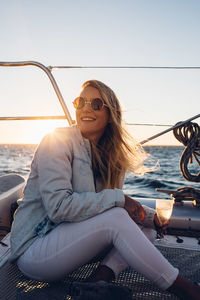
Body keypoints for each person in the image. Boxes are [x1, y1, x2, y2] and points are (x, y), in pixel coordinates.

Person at [9, 80, 200, 300]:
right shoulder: (57, 141)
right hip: (35, 249)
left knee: (145, 230)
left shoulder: (111, 157)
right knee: (118, 217)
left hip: (69, 243)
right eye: (80, 102)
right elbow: (59, 208)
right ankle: (186, 289)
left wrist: (148, 217)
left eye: (96, 104)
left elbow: (103, 206)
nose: (86, 109)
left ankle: (98, 280)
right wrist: (121, 200)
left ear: (110, 113)